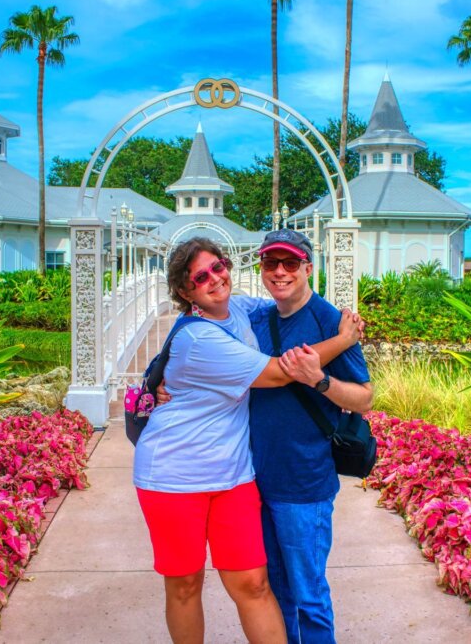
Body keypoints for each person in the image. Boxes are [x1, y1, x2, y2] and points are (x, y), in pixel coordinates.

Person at [133, 237, 362, 644]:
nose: (215, 278)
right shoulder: (199, 339)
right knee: (185, 584)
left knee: (254, 584)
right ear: (186, 293)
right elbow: (277, 372)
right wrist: (343, 340)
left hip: (234, 476)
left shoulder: (242, 309)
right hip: (174, 475)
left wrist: (340, 320)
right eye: (200, 277)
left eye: (218, 266)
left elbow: (287, 303)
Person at [247, 229, 373, 644]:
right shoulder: (256, 320)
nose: (280, 272)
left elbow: (364, 398)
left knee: (308, 596)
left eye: (290, 264)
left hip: (304, 483)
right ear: (261, 268)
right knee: (273, 593)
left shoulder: (329, 319)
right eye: (270, 263)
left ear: (308, 268)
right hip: (254, 481)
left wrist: (321, 383)